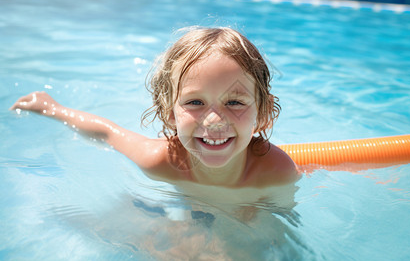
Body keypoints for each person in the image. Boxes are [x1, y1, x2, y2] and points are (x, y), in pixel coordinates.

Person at [10, 27, 299, 189]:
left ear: (262, 113)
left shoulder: (275, 172)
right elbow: (108, 134)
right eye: (195, 102)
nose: (213, 120)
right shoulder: (160, 161)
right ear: (169, 111)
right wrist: (53, 109)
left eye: (234, 102)